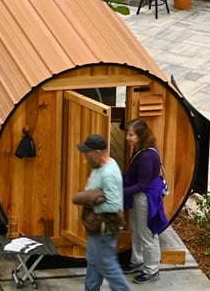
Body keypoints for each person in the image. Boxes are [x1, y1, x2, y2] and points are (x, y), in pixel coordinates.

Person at [73, 135, 132, 291]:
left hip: (104, 230)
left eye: (88, 152)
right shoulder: (102, 165)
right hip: (97, 230)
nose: (85, 155)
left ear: (98, 152)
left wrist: (89, 202)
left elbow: (113, 204)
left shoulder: (108, 173)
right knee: (93, 264)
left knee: (110, 269)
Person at [123, 119, 167, 284]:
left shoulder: (147, 155)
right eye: (127, 133)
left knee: (147, 233)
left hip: (145, 197)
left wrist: (121, 193)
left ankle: (152, 270)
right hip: (140, 194)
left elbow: (142, 185)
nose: (128, 137)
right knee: (136, 228)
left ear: (141, 136)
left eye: (131, 135)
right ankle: (138, 261)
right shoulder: (140, 148)